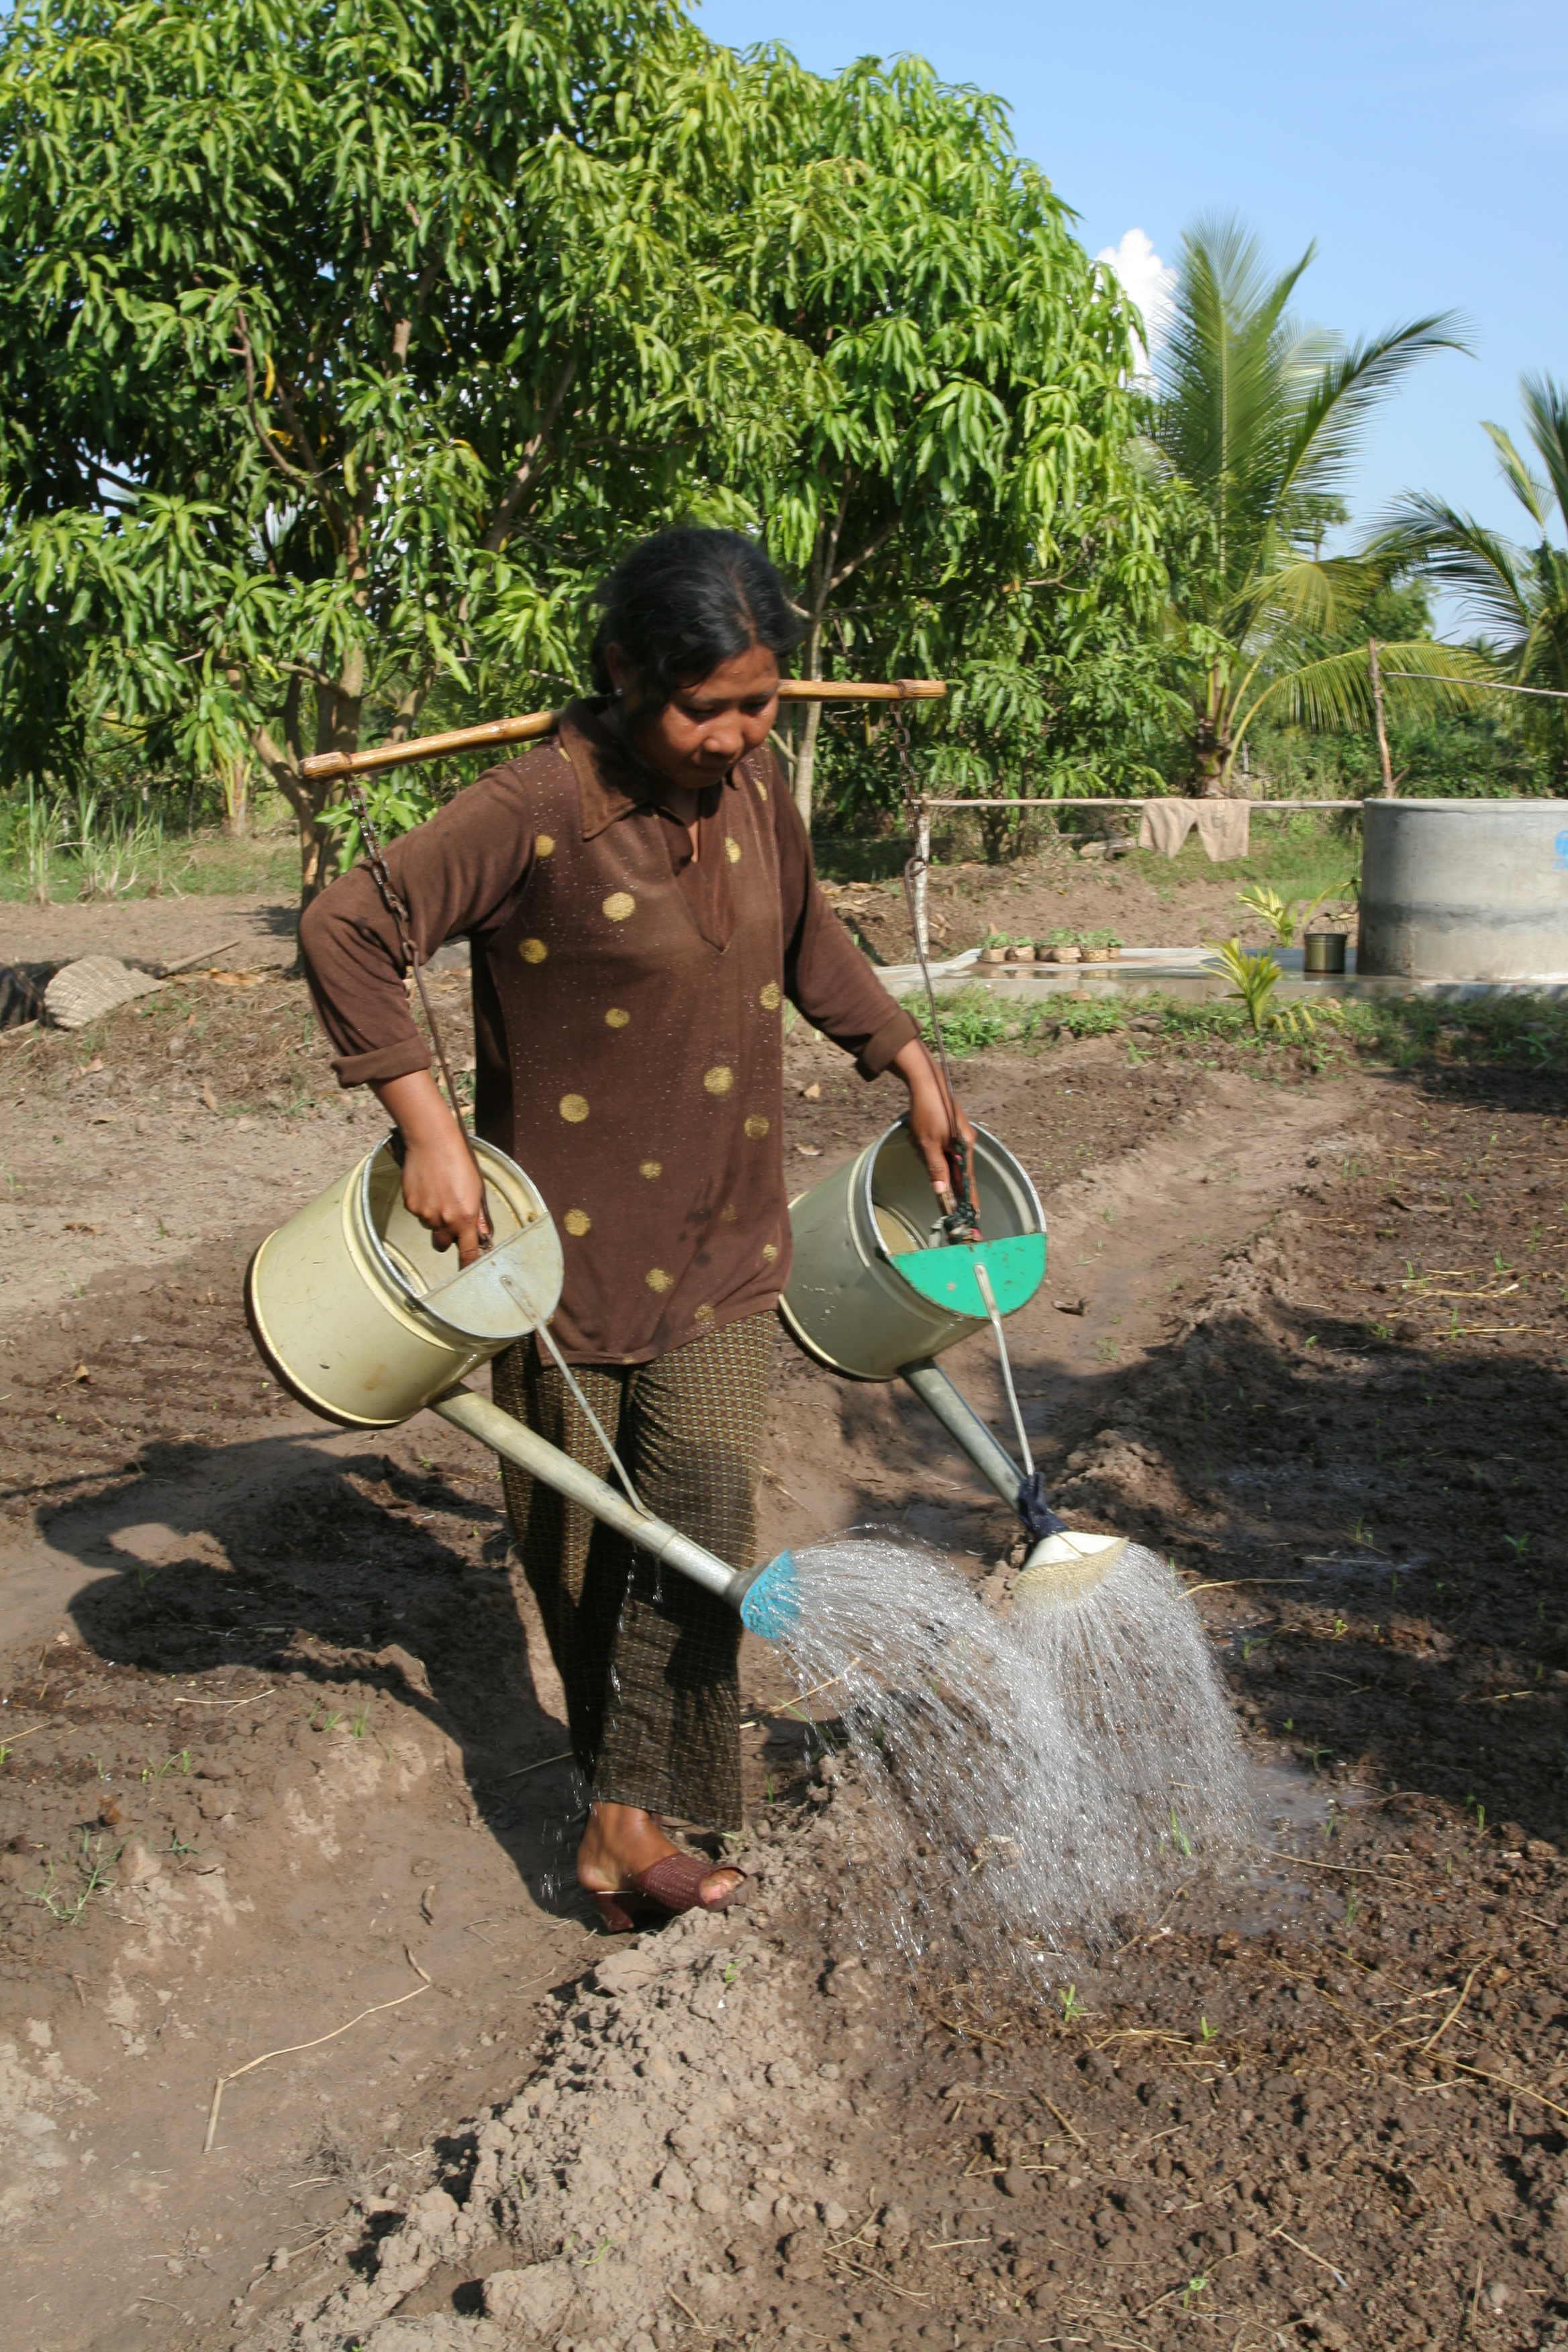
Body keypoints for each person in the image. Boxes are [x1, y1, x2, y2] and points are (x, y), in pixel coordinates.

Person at [299, 526, 973, 1930]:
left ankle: (623, 1817)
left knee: (702, 1505)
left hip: (726, 1232)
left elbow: (806, 942)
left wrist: (904, 1060)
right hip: (558, 1258)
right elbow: (347, 932)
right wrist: (429, 1131)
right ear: (621, 675)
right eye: (704, 708)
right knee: (568, 1544)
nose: (736, 738)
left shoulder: (759, 785)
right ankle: (626, 1818)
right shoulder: (534, 807)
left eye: (760, 705)